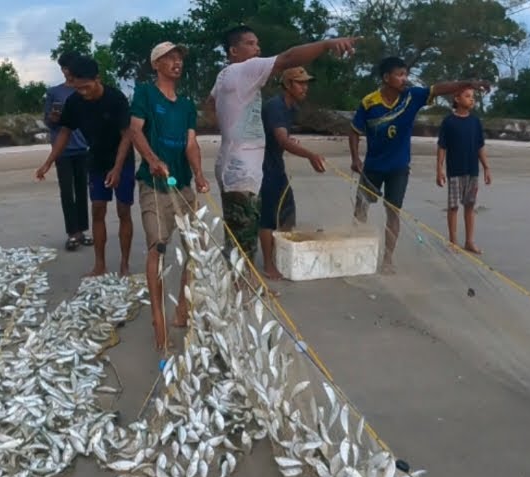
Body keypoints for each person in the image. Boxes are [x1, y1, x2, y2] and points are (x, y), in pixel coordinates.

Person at [208, 26, 357, 269]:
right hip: (242, 171)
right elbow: (289, 57)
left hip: (231, 164)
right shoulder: (244, 69)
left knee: (236, 237)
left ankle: (237, 288)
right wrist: (328, 44)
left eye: (257, 43)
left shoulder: (225, 75)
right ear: (234, 51)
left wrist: (230, 130)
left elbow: (210, 103)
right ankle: (242, 292)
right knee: (245, 242)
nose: (258, 48)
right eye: (251, 43)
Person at [349, 56, 490, 273]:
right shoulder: (369, 102)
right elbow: (354, 131)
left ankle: (387, 259)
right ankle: (358, 254)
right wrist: (355, 158)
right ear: (386, 78)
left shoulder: (412, 97)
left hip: (399, 167)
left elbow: (439, 88)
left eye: (406, 74)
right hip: (372, 166)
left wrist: (467, 83)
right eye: (399, 74)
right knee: (361, 208)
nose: (404, 79)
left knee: (393, 212)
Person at [127, 41, 210, 352]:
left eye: (179, 58)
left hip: (182, 185)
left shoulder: (187, 105)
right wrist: (151, 159)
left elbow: (191, 144)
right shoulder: (145, 94)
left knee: (195, 248)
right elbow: (135, 131)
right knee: (157, 248)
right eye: (169, 58)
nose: (176, 62)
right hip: (153, 185)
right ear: (156, 65)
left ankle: (182, 309)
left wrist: (199, 174)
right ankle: (158, 318)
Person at [35, 55, 135, 277]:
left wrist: (117, 168)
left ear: (97, 79)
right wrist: (48, 163)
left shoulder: (116, 98)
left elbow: (127, 135)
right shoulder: (74, 102)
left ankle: (125, 264)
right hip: (96, 160)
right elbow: (64, 132)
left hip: (122, 159)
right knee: (98, 209)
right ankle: (100, 264)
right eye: (78, 88)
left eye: (86, 87)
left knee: (123, 211)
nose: (83, 92)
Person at [258, 66, 327, 280]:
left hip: (275, 166)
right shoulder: (276, 107)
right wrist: (310, 155)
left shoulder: (290, 108)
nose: (305, 87)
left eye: (306, 83)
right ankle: (269, 265)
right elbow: (281, 139)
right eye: (300, 83)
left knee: (288, 213)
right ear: (287, 85)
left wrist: (289, 142)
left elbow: (282, 137)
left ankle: (281, 257)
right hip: (263, 168)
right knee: (268, 218)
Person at [44, 51, 91, 252]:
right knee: (66, 192)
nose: (66, 72)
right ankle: (72, 233)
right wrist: (53, 118)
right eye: (63, 68)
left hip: (82, 147)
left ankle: (82, 231)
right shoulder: (54, 92)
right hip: (62, 150)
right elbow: (47, 121)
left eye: (68, 67)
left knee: (82, 191)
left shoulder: (84, 89)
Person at [436, 86, 491, 255]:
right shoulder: (448, 122)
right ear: (457, 99)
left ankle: (469, 241)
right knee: (453, 207)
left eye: (473, 96)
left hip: (472, 171)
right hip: (454, 171)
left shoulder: (475, 122)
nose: (472, 99)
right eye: (467, 96)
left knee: (469, 206)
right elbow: (442, 147)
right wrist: (439, 169)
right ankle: (453, 242)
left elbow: (480, 146)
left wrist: (486, 167)